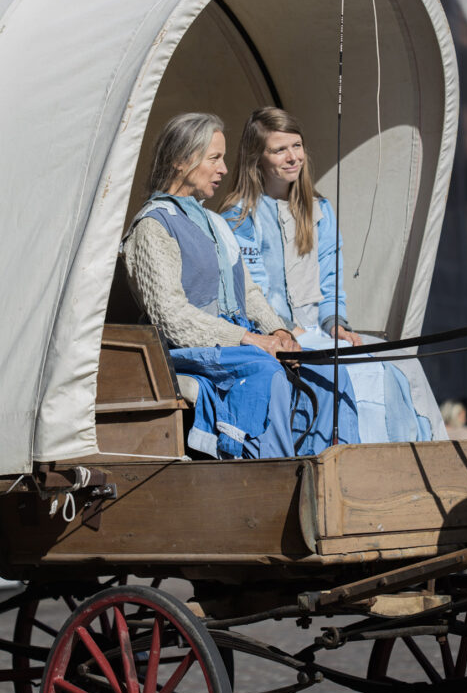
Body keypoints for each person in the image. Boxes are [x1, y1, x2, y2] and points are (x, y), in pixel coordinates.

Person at [122, 112, 359, 459]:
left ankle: (329, 470)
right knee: (264, 371)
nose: (223, 169)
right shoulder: (153, 227)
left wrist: (278, 331)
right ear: (180, 161)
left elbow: (248, 294)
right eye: (214, 158)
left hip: (236, 341)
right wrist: (250, 339)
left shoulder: (215, 223)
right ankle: (276, 473)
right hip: (187, 350)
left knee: (324, 370)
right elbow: (170, 317)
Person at [221, 107, 446, 443]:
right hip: (279, 334)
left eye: (296, 146)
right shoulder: (239, 217)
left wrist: (336, 323)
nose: (292, 157)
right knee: (356, 373)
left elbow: (331, 278)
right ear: (257, 158)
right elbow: (251, 290)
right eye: (279, 149)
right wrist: (283, 328)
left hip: (318, 329)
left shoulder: (319, 210)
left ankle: (431, 447)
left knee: (403, 361)